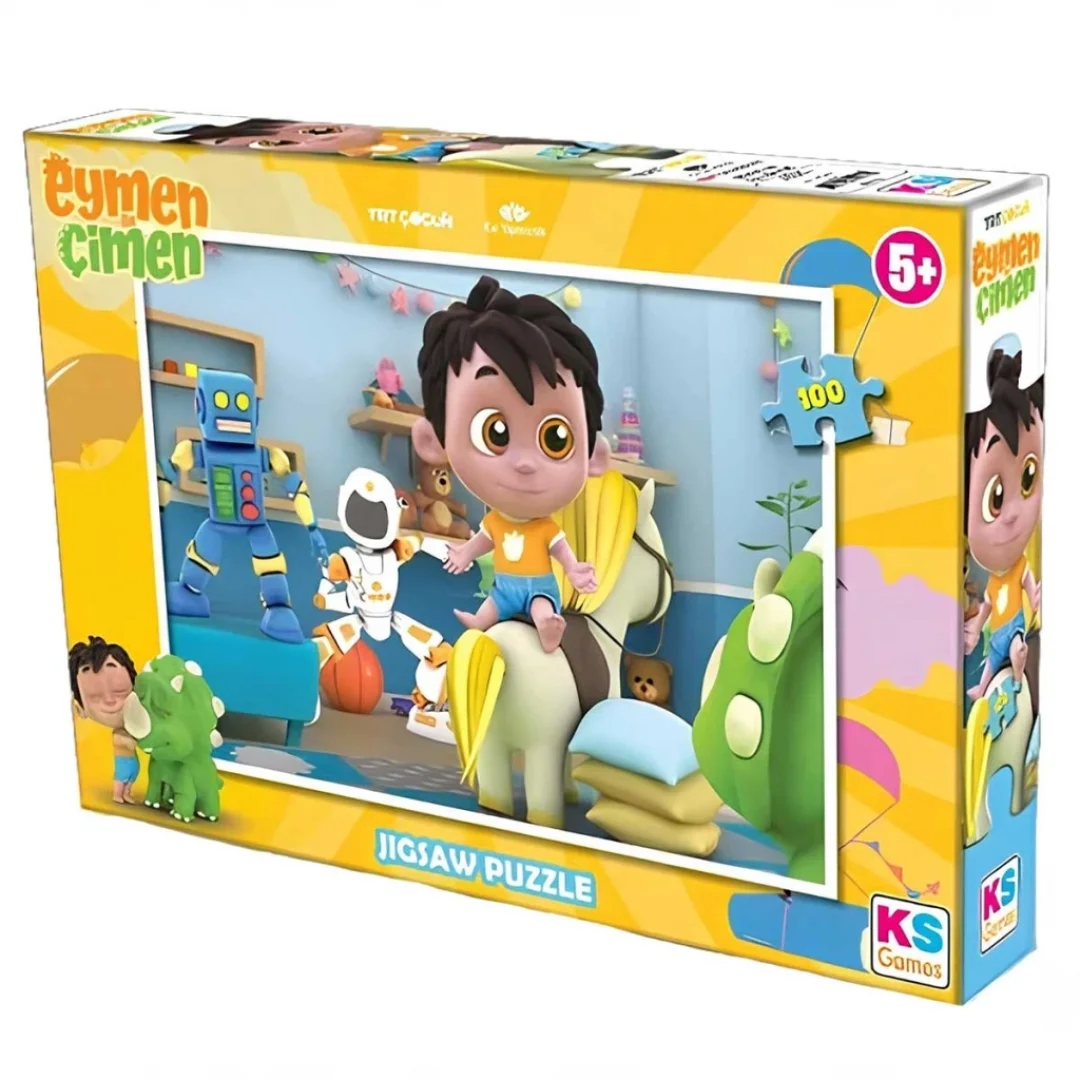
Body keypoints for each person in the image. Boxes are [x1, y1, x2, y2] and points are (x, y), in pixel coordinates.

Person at [413, 275, 610, 652]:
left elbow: (562, 553)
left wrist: (574, 570)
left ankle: (547, 625)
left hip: (539, 589)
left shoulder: (546, 527)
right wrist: (463, 554)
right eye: (495, 433)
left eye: (555, 439)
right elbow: (481, 542)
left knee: (541, 606)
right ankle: (478, 622)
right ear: (432, 441)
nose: (525, 463)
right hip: (504, 590)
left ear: (593, 456)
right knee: (492, 606)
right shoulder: (496, 524)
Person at [963, 348, 1043, 699]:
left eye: (1028, 479)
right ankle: (982, 688)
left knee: (1014, 650)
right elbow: (985, 606)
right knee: (989, 665)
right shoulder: (993, 582)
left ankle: (1018, 677)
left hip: (1013, 631)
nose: (1012, 514)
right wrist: (975, 628)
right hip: (995, 635)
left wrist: (1036, 597)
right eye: (996, 499)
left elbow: (1028, 586)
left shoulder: (1020, 565)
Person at [69, 636, 140, 803]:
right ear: (80, 709)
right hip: (124, 766)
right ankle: (118, 794)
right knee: (122, 778)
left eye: (120, 691)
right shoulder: (120, 734)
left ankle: (126, 793)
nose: (110, 701)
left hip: (132, 764)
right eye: (95, 697)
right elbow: (129, 743)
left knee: (130, 776)